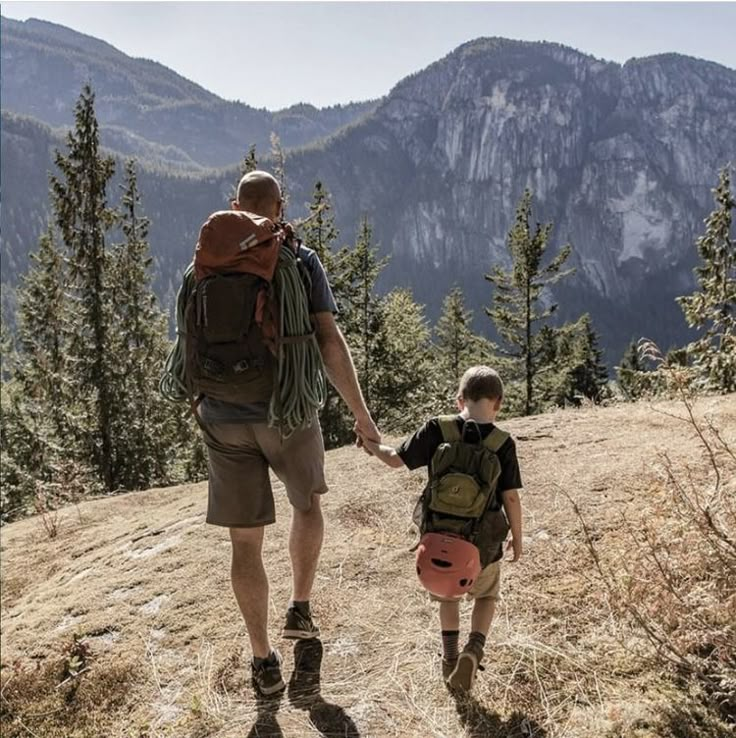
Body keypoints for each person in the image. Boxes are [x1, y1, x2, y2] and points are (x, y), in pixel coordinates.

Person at [198, 170, 380, 695]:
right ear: (280, 207)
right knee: (306, 505)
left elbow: (190, 345)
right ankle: (300, 607)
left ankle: (262, 660)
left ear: (236, 205)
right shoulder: (299, 261)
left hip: (224, 417)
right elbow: (328, 341)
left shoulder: (204, 264)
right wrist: (363, 418)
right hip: (289, 411)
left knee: (244, 543)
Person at [358, 365, 523, 691]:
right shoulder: (503, 444)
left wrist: (370, 444)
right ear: (499, 403)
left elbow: (394, 459)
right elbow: (511, 498)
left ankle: (449, 658)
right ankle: (473, 651)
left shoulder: (438, 429)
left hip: (438, 539)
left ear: (459, 399)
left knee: (449, 595)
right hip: (483, 544)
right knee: (486, 595)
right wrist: (518, 538)